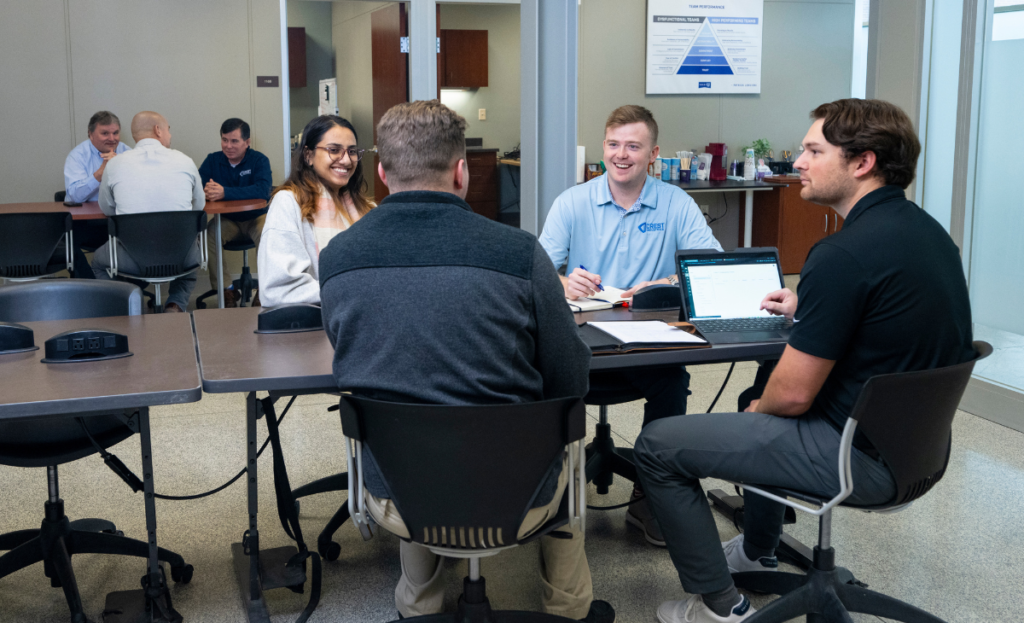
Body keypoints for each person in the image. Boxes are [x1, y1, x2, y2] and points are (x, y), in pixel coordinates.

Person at [633, 98, 974, 623]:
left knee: (659, 444)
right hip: (917, 452)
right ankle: (757, 550)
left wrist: (760, 414)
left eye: (814, 151)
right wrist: (809, 308)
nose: (798, 163)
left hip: (852, 457)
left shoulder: (842, 254)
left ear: (863, 163)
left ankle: (719, 607)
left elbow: (792, 397)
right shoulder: (930, 236)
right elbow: (889, 318)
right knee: (756, 391)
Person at [319, 100, 612, 623]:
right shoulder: (520, 254)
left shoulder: (338, 256)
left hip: (396, 496)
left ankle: (419, 604)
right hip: (520, 495)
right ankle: (570, 611)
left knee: (407, 433)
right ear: (461, 171)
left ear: (383, 174)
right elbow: (570, 376)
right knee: (567, 431)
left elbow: (350, 353)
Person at [538, 104, 722, 546]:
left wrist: (667, 282)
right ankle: (551, 493)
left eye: (633, 146)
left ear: (653, 154)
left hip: (646, 342)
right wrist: (563, 282)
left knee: (672, 382)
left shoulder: (676, 203)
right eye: (614, 144)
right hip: (582, 342)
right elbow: (537, 270)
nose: (621, 155)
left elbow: (709, 264)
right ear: (604, 147)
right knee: (543, 379)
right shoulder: (573, 202)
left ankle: (649, 494)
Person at [91, 111, 205, 313]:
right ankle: (175, 305)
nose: (170, 135)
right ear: (158, 130)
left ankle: (127, 309)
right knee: (193, 254)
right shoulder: (185, 161)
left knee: (98, 262)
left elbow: (107, 209)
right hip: (181, 256)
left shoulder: (115, 165)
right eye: (168, 130)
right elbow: (199, 207)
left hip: (133, 258)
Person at [256, 115, 373, 307]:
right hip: (318, 318)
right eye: (334, 150)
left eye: (352, 151)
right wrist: (355, 291)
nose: (346, 160)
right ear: (308, 155)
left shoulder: (367, 208)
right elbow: (278, 288)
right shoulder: (288, 202)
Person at [198, 118, 272, 306]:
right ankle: (227, 290)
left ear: (247, 142)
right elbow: (198, 186)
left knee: (268, 233)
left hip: (256, 218)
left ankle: (265, 290)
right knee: (209, 235)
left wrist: (225, 192)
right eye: (224, 140)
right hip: (228, 220)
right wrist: (205, 191)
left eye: (234, 141)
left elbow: (262, 190)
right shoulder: (212, 160)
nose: (228, 146)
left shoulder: (259, 160)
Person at [63, 110, 132, 277]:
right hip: (85, 224)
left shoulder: (128, 153)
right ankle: (90, 285)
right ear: (90, 134)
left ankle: (129, 287)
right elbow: (75, 196)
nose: (112, 138)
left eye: (115, 133)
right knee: (67, 242)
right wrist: (101, 172)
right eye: (105, 133)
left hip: (119, 221)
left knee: (143, 234)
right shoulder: (77, 156)